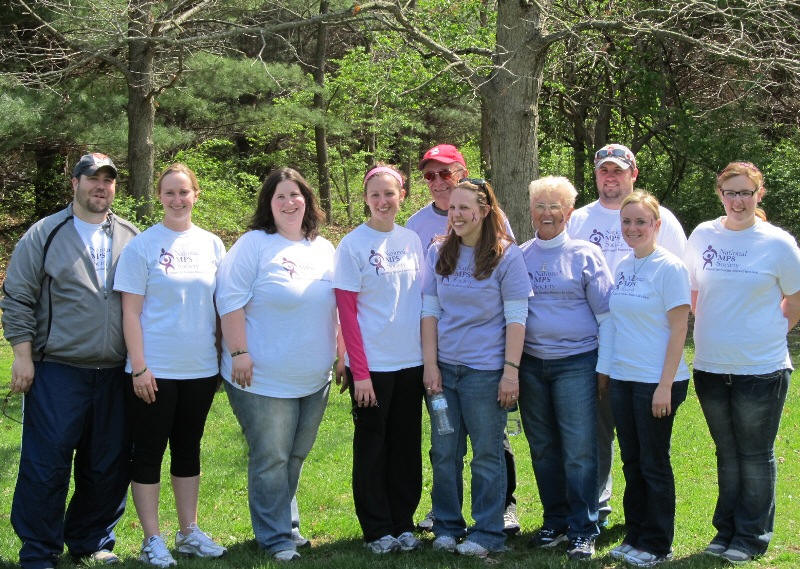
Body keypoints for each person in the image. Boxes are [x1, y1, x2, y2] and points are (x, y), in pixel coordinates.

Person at [2, 153, 138, 569]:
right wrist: (22, 356)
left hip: (115, 372)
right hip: (58, 370)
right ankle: (39, 549)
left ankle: (91, 541)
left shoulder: (132, 236)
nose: (101, 187)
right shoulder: (45, 233)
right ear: (75, 183)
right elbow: (17, 296)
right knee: (47, 464)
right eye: (92, 178)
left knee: (107, 464)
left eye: (108, 180)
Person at [216, 168, 338, 562]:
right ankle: (274, 538)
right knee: (272, 458)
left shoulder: (323, 248)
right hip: (262, 378)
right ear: (268, 204)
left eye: (295, 195)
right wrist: (239, 352)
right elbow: (229, 300)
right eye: (280, 196)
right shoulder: (254, 245)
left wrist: (341, 354)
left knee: (295, 455)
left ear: (308, 200)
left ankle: (287, 525)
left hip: (314, 377)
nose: (289, 203)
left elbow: (337, 307)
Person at [685, 162, 800, 564]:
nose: (738, 201)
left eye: (745, 193)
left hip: (761, 369)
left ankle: (751, 536)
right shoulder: (703, 235)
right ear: (720, 194)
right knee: (726, 452)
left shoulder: (778, 243)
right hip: (711, 366)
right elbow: (695, 293)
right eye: (730, 193)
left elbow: (795, 300)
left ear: (758, 194)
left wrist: (768, 332)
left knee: (754, 454)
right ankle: (726, 530)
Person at [113, 164, 227, 566]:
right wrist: (139, 367)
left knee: (188, 449)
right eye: (170, 193)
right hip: (154, 371)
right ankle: (152, 540)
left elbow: (221, 306)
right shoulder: (142, 246)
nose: (177, 200)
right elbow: (130, 313)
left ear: (196, 194)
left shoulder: (212, 244)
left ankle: (188, 532)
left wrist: (222, 358)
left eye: (184, 192)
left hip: (200, 369)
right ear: (159, 197)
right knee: (148, 452)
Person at [567, 143, 686, 526]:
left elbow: (679, 299)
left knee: (649, 454)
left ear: (633, 173)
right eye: (604, 170)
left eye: (618, 170)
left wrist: (666, 381)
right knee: (598, 435)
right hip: (599, 350)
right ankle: (599, 508)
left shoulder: (664, 223)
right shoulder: (579, 219)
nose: (610, 176)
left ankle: (653, 534)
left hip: (650, 360)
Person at [409, 143, 521, 535]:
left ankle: (489, 528)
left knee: (488, 452)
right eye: (452, 208)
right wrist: (430, 366)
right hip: (444, 373)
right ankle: (447, 524)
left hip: (485, 373)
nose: (456, 214)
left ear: (484, 211)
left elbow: (516, 316)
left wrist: (510, 371)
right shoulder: (438, 250)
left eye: (464, 207)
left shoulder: (505, 254)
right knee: (444, 451)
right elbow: (429, 310)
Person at [518, 177, 613, 561]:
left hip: (577, 363)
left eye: (555, 206)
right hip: (530, 364)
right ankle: (555, 521)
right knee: (542, 448)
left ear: (569, 212)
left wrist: (604, 367)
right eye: (540, 205)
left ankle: (583, 528)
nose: (547, 213)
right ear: (531, 211)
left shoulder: (586, 254)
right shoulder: (520, 256)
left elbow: (606, 316)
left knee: (579, 449)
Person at [333, 164, 425, 554]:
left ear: (402, 195)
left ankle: (403, 522)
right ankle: (377, 529)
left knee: (406, 447)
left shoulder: (412, 240)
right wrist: (360, 371)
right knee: (373, 448)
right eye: (375, 195)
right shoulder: (352, 245)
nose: (383, 201)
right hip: (373, 367)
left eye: (390, 193)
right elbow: (347, 312)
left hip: (412, 362)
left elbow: (422, 301)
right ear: (366, 199)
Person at [599, 190, 691, 567]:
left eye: (641, 222)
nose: (633, 228)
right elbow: (615, 324)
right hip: (624, 378)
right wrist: (607, 372)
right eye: (626, 222)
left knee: (653, 462)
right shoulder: (623, 265)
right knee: (632, 462)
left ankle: (657, 544)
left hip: (657, 381)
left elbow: (680, 329)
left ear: (656, 225)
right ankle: (635, 535)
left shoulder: (670, 268)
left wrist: (664, 386)